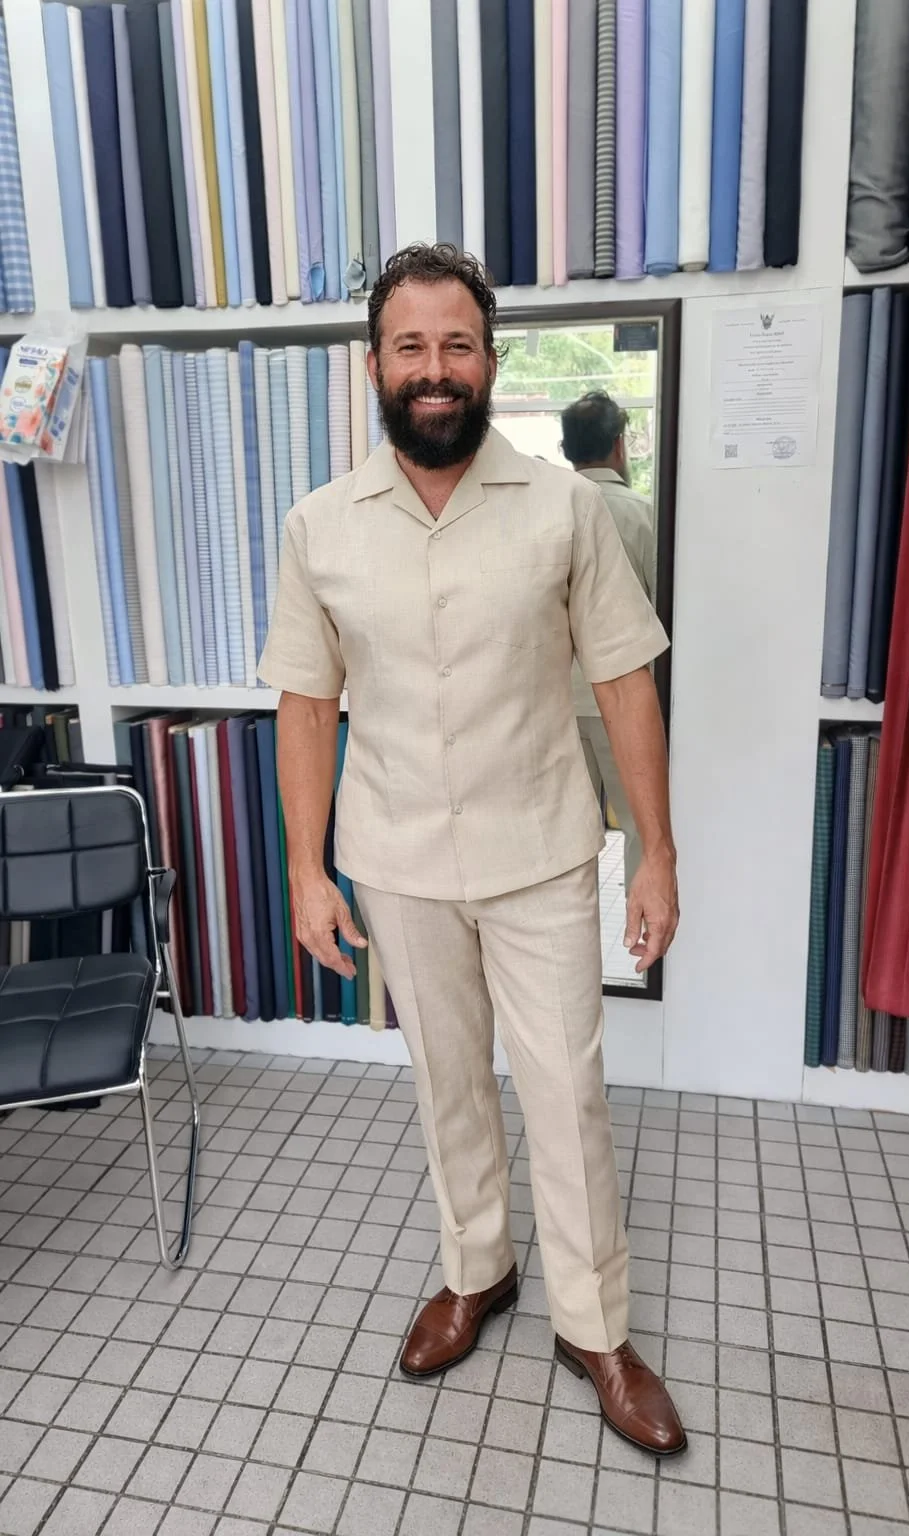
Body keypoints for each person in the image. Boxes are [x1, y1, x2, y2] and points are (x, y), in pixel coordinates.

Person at [258, 244, 685, 1457]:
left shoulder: (562, 510)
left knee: (567, 1095)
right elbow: (303, 704)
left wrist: (655, 853)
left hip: (541, 854)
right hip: (394, 860)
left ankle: (595, 1328)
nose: (434, 368)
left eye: (457, 344)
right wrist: (305, 868)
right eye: (411, 345)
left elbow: (624, 682)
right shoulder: (319, 527)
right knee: (448, 1087)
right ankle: (477, 1271)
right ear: (375, 364)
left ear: (490, 361)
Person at [561, 391, 657, 897]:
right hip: (624, 697)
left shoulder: (549, 512)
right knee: (641, 821)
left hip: (557, 702)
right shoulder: (645, 514)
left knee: (568, 833)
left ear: (564, 449)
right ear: (620, 446)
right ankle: (643, 930)